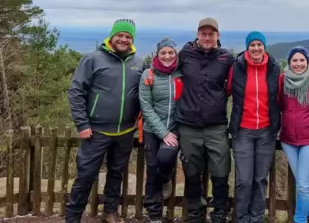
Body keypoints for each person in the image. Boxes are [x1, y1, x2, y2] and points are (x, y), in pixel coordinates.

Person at [66, 19, 144, 223]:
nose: (123, 39)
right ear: (111, 36)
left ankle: (110, 211)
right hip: (95, 131)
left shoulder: (138, 63)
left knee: (116, 174)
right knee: (85, 176)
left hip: (125, 131)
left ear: (132, 40)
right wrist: (82, 124)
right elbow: (76, 92)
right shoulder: (93, 59)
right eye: (120, 35)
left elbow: (144, 94)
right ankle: (73, 216)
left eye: (128, 36)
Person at [176, 17, 235, 223]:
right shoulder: (185, 54)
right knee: (191, 171)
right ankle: (195, 210)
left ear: (218, 36)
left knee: (221, 170)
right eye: (204, 33)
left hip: (216, 124)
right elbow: (165, 68)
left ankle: (219, 211)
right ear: (198, 34)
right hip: (189, 124)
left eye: (211, 34)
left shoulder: (227, 58)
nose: (207, 37)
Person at [226, 31, 281, 223]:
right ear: (247, 48)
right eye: (252, 45)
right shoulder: (237, 68)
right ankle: (242, 218)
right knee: (244, 180)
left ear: (264, 47)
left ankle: (256, 218)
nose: (256, 48)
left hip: (267, 130)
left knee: (260, 179)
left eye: (259, 44)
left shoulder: (274, 68)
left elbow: (281, 94)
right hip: (243, 131)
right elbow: (226, 90)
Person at [138, 38, 183, 222]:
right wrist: (163, 132)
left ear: (176, 54)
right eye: (163, 53)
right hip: (152, 130)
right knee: (152, 168)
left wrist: (172, 131)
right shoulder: (148, 74)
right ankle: (155, 214)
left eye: (171, 52)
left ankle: (165, 179)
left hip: (175, 128)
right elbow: (146, 106)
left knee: (164, 160)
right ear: (157, 54)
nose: (167, 56)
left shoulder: (181, 74)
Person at [279, 46, 309, 223]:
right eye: (294, 60)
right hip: (288, 138)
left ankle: (299, 219)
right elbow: (278, 104)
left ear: (307, 61)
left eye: (301, 60)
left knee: (304, 185)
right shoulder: (283, 80)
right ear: (289, 62)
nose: (298, 64)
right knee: (301, 182)